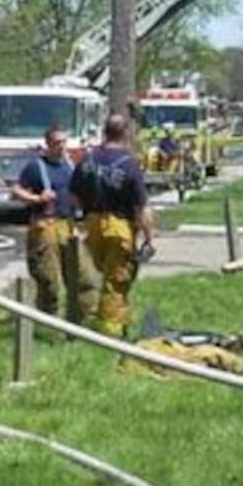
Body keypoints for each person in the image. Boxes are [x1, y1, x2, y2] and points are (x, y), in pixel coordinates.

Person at [70, 113, 155, 338]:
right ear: (125, 133)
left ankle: (107, 318)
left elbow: (74, 196)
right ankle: (110, 332)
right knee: (116, 280)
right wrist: (149, 236)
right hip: (119, 227)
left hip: (93, 225)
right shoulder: (129, 165)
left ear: (104, 131)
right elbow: (142, 208)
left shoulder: (86, 161)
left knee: (102, 272)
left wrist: (87, 214)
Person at [10, 125, 97, 324]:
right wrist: (37, 198)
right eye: (57, 142)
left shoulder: (70, 165)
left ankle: (83, 320)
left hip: (68, 225)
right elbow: (16, 191)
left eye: (64, 142)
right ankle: (48, 322)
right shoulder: (36, 166)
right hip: (45, 227)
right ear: (48, 144)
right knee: (49, 280)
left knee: (82, 276)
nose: (62, 146)